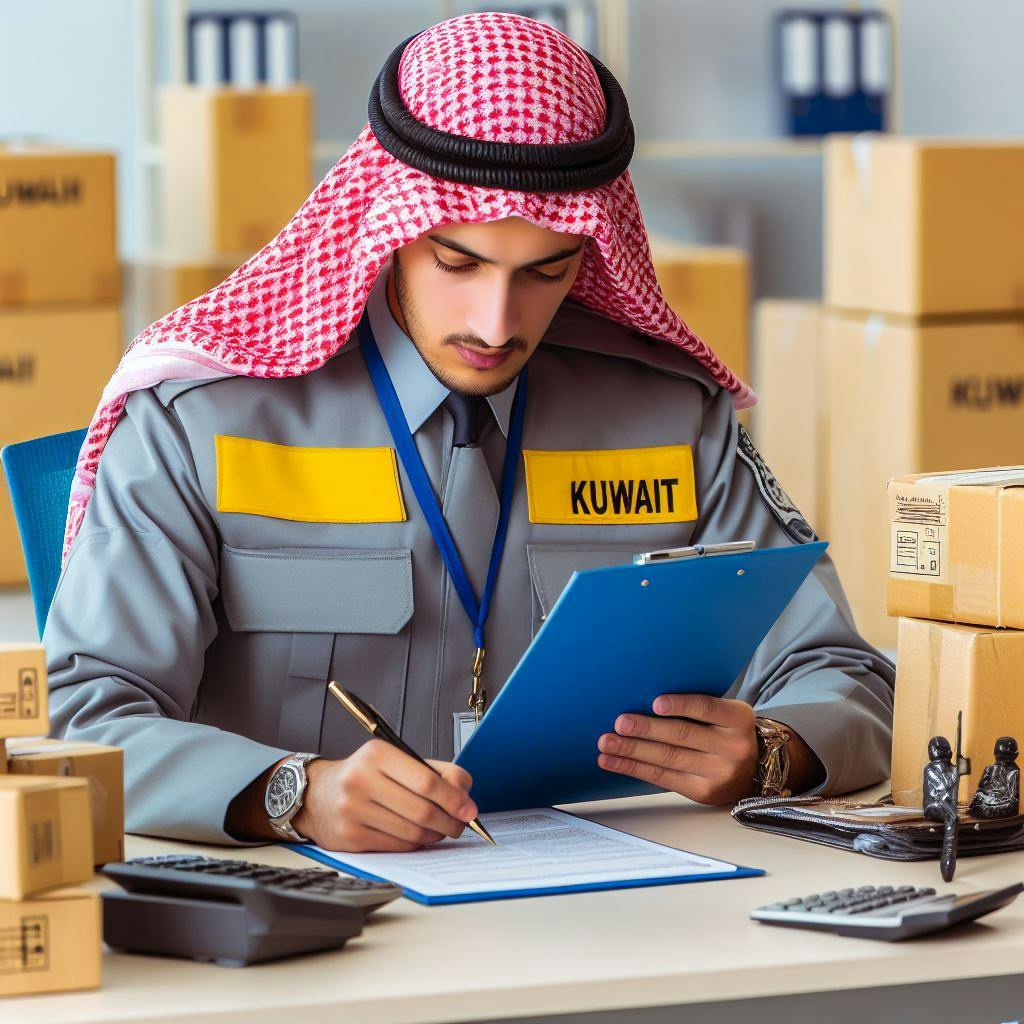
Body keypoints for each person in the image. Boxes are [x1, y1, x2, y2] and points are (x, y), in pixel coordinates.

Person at [43, 13, 894, 852]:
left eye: (546, 271)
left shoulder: (673, 416)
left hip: (607, 911)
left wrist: (772, 753)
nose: (495, 322)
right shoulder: (200, 421)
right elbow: (81, 719)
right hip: (311, 922)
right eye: (458, 263)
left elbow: (846, 676)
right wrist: (294, 793)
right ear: (389, 228)